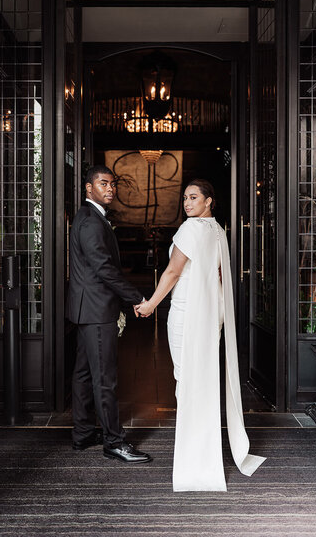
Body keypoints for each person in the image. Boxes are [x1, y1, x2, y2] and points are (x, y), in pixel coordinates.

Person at [136, 179, 266, 491]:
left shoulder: (191, 229)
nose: (187, 203)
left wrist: (151, 304)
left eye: (194, 198)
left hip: (186, 311)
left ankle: (194, 456)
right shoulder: (218, 230)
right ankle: (202, 450)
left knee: (186, 381)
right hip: (209, 313)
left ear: (209, 200)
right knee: (202, 380)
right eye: (185, 198)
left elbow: (172, 271)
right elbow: (219, 275)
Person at [66, 164, 151, 464]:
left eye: (112, 184)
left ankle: (83, 433)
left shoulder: (90, 217)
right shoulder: (90, 221)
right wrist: (137, 298)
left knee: (84, 374)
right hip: (97, 310)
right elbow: (103, 269)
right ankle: (114, 442)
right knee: (104, 379)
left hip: (87, 310)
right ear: (89, 188)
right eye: (103, 184)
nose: (110, 189)